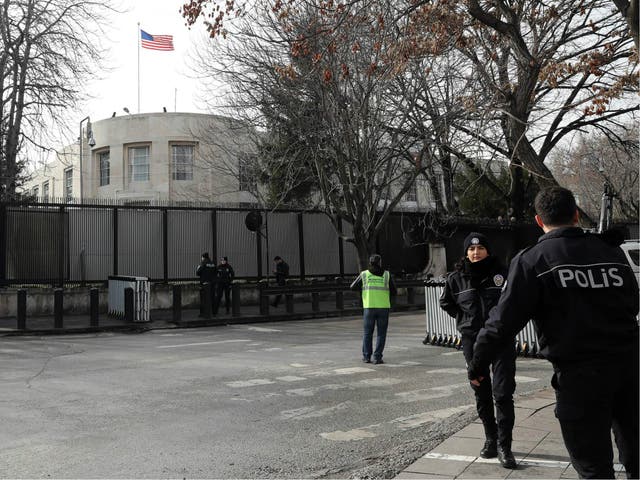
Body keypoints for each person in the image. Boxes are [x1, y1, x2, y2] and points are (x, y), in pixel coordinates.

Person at [467, 186, 639, 478]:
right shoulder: (609, 251)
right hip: (630, 369)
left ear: (538, 221)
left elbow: (502, 323)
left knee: (594, 468)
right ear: (575, 214)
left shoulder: (533, 260)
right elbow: (633, 301)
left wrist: (477, 364)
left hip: (579, 378)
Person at [439, 233, 516, 468]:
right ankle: (490, 439)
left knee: (502, 393)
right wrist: (465, 322)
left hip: (500, 341)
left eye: (481, 248)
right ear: (466, 253)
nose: (476, 253)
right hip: (472, 343)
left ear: (488, 251)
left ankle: (505, 446)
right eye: (471, 250)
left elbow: (514, 302)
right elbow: (447, 303)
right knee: (481, 392)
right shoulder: (456, 279)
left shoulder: (503, 274)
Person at [350, 254, 397, 365]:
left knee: (367, 333)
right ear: (380, 263)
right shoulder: (387, 275)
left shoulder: (364, 274)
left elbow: (352, 287)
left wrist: (363, 291)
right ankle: (377, 357)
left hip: (369, 308)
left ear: (370, 263)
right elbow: (394, 291)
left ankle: (366, 357)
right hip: (383, 308)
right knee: (381, 334)